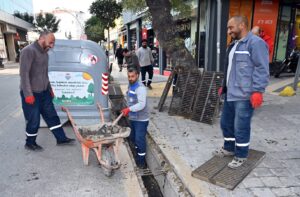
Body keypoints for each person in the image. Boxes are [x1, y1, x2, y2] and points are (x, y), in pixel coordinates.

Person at [215, 16, 269, 168]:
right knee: (226, 123)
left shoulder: (256, 43)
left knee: (241, 126)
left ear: (242, 25)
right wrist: (224, 85)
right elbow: (230, 68)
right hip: (230, 94)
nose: (229, 31)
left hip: (245, 96)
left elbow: (262, 68)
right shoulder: (233, 45)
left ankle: (241, 154)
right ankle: (229, 148)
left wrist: (258, 91)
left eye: (231, 27)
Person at [20, 31, 75, 151]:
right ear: (42, 38)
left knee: (52, 116)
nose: (52, 45)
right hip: (32, 93)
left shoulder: (45, 54)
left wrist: (50, 89)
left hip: (44, 92)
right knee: (34, 120)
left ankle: (61, 139)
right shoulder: (28, 51)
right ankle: (30, 143)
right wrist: (28, 94)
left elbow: (44, 74)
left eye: (53, 43)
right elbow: (24, 75)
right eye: (51, 42)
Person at [121, 66, 149, 168]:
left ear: (137, 75)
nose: (130, 78)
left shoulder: (140, 88)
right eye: (129, 76)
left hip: (141, 120)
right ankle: (137, 154)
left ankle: (141, 162)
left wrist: (128, 109)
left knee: (139, 139)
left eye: (132, 76)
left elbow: (141, 105)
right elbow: (129, 96)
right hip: (133, 117)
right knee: (133, 137)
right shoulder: (131, 84)